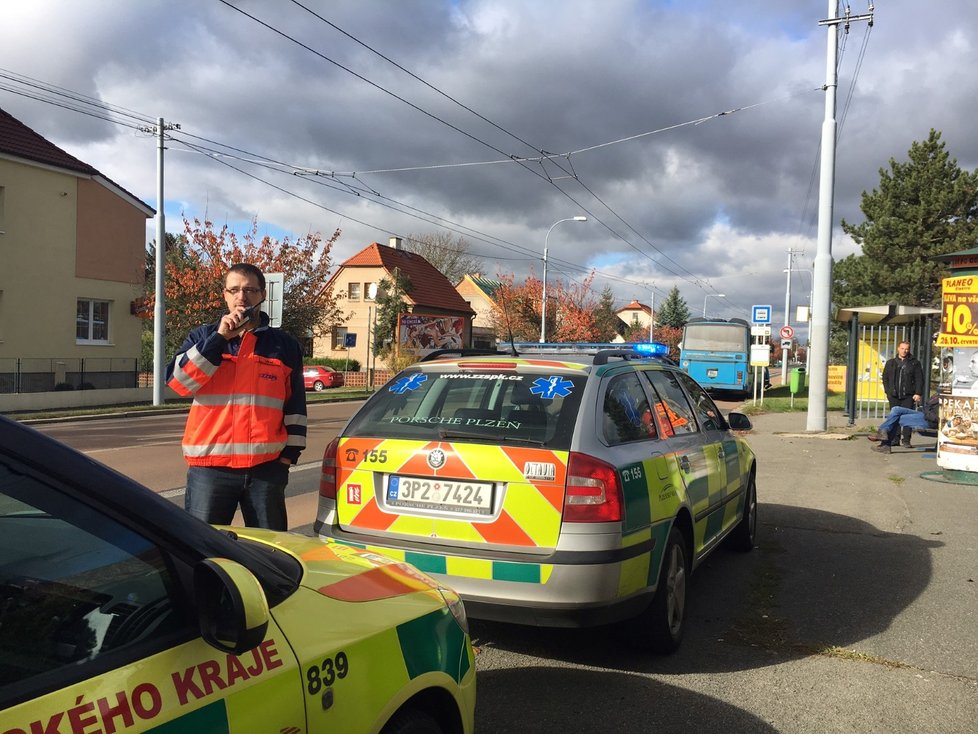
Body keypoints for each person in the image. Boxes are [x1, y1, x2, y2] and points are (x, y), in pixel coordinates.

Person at [166, 263, 307, 529]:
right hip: (210, 469)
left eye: (250, 290)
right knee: (205, 551)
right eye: (234, 290)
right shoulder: (202, 337)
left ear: (262, 295)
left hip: (265, 469)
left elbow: (296, 406)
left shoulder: (284, 346)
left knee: (270, 552)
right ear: (225, 295)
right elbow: (179, 383)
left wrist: (287, 458)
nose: (242, 297)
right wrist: (219, 339)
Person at [881, 340, 924, 448]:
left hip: (908, 396)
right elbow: (885, 378)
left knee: (907, 418)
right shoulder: (890, 363)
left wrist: (918, 393)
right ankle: (895, 439)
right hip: (894, 395)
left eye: (906, 349)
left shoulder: (915, 363)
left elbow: (919, 379)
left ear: (909, 350)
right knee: (894, 417)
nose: (904, 351)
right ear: (898, 349)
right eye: (902, 348)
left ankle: (906, 440)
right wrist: (888, 391)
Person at [867, 393, 939, 454]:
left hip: (928, 420)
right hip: (924, 414)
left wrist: (926, 410)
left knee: (896, 418)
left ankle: (885, 444)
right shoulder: (939, 395)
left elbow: (936, 417)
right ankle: (883, 432)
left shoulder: (947, 400)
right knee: (896, 409)